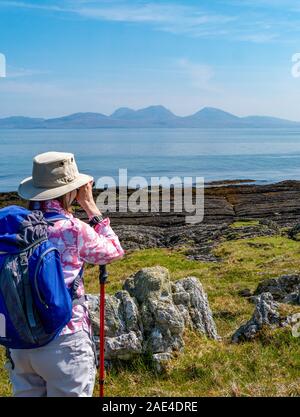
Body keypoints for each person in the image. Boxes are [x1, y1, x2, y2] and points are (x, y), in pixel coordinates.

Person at [7, 151, 124, 397]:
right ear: (70, 191)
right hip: (65, 339)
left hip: (20, 341)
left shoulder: (15, 227)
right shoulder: (72, 229)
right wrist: (90, 206)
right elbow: (114, 251)